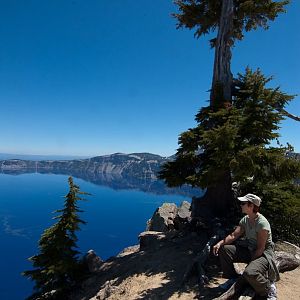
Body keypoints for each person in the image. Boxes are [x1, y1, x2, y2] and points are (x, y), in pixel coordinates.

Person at [212, 193, 279, 299]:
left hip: (264, 254)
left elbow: (261, 248)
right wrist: (220, 243)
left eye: (243, 203)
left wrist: (251, 264)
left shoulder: (262, 224)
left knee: (249, 272)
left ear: (251, 206)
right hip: (250, 249)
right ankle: (233, 278)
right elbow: (234, 235)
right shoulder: (245, 220)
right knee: (225, 250)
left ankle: (268, 287)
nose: (241, 205)